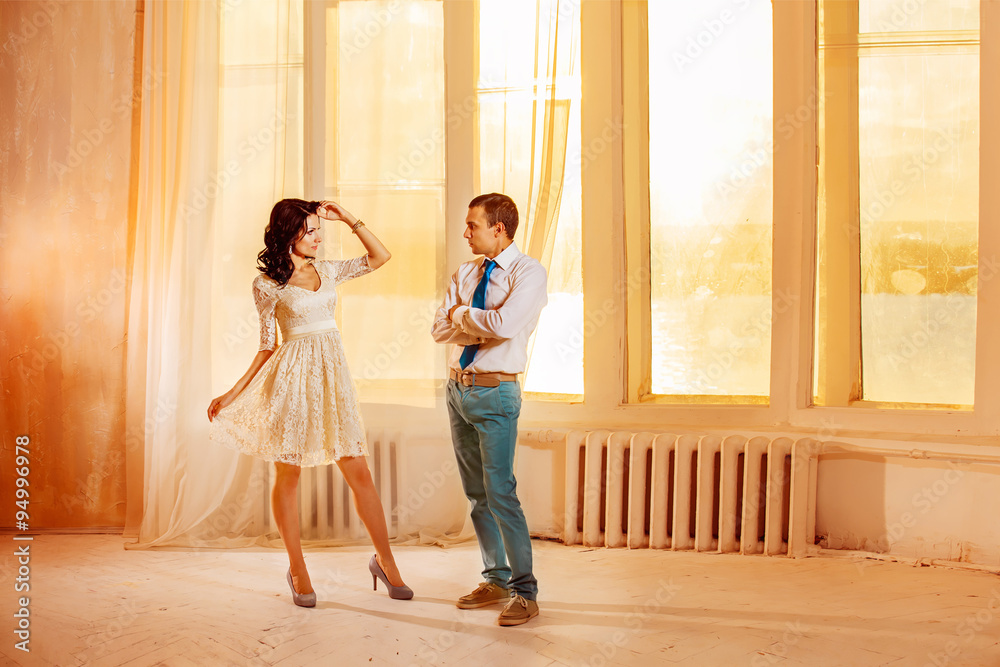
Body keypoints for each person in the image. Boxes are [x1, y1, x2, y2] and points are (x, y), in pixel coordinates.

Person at [207, 198, 412, 607]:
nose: (319, 237)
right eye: (312, 230)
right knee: (289, 477)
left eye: (320, 230)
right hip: (293, 385)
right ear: (289, 231)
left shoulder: (330, 270)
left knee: (361, 474)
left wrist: (348, 217)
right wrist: (231, 394)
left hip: (333, 383)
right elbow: (267, 347)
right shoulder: (267, 284)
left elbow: (381, 256)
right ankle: (297, 569)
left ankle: (386, 563)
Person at [431, 193, 548, 626]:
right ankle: (495, 579)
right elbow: (438, 328)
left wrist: (462, 315)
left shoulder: (528, 272)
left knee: (500, 493)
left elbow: (507, 325)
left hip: (496, 393)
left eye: (472, 225)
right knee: (477, 495)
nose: (465, 233)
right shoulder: (466, 271)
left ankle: (525, 592)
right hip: (457, 392)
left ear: (498, 228)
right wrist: (474, 319)